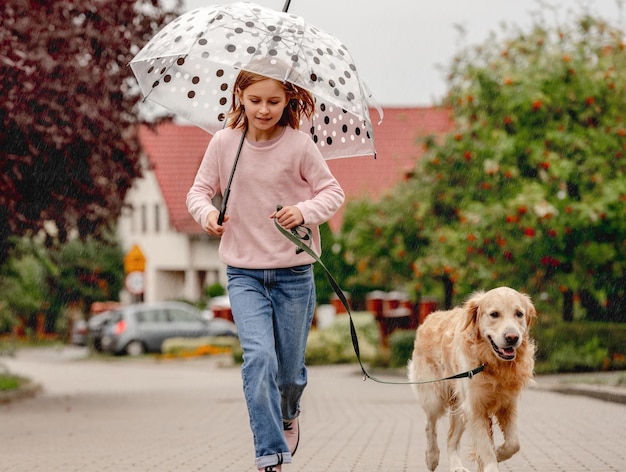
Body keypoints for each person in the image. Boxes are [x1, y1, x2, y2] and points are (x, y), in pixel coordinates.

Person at [186, 60, 345, 472]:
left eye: (274, 100)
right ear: (239, 95)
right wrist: (206, 214)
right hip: (244, 274)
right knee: (260, 359)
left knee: (289, 374)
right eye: (255, 99)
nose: (263, 109)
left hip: (293, 274)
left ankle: (289, 412)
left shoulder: (298, 145)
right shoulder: (224, 144)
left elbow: (332, 192)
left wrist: (303, 210)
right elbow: (199, 192)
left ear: (287, 100)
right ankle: (270, 454)